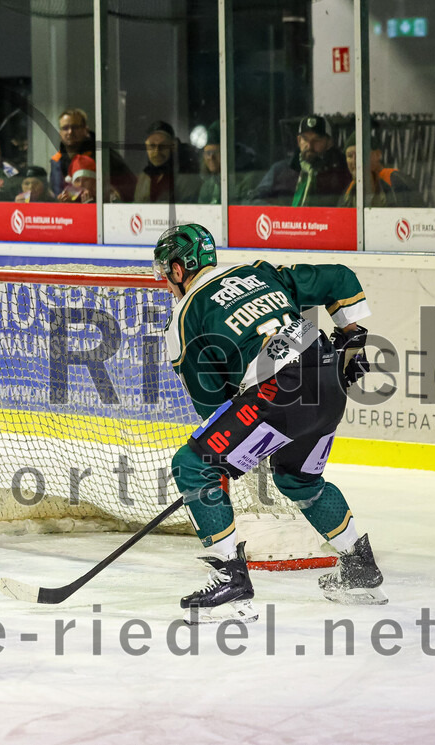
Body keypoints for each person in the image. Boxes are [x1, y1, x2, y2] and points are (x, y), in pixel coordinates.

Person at [153, 224, 386, 625]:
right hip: (329, 378)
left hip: (279, 390)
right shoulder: (259, 271)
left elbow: (212, 406)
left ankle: (230, 583)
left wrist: (225, 462)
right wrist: (352, 337)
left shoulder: (185, 316)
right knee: (299, 479)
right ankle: (359, 569)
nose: (165, 283)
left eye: (164, 273)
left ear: (178, 270)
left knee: (194, 466)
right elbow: (341, 278)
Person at [251, 115, 350, 206]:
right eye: (305, 139)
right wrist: (280, 215)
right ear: (299, 141)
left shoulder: (340, 173)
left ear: (329, 143)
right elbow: (254, 200)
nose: (310, 146)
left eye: (317, 140)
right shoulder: (280, 170)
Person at [48, 107, 135, 203]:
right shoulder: (56, 161)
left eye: (75, 127)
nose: (70, 132)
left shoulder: (103, 156)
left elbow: (129, 186)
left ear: (86, 129)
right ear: (60, 132)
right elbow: (55, 192)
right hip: (67, 216)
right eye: (65, 128)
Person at [338, 135, 423, 208]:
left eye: (360, 154)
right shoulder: (349, 190)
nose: (354, 160)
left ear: (378, 155)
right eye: (349, 156)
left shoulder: (397, 181)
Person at [134, 121, 200, 204]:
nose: (156, 151)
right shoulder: (144, 177)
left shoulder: (186, 177)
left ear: (173, 147)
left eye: (163, 146)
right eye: (152, 146)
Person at [197, 123, 222, 205]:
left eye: (216, 152)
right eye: (208, 153)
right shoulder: (207, 186)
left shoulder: (241, 182)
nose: (211, 157)